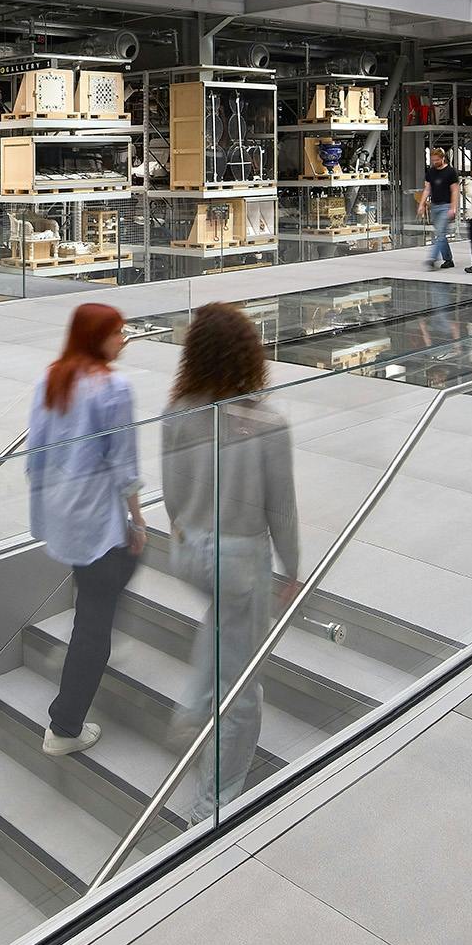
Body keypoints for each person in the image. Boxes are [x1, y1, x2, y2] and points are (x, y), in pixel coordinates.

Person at [160, 303, 300, 822]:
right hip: (240, 559)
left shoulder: (178, 413)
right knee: (243, 690)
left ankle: (195, 705)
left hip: (189, 550)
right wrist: (293, 567)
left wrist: (188, 529)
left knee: (222, 619)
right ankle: (212, 804)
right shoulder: (265, 422)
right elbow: (280, 508)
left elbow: (172, 494)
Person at [26, 303, 145, 757]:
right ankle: (65, 726)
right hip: (96, 520)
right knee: (95, 619)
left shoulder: (52, 376)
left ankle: (95, 636)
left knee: (97, 593)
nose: (124, 339)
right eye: (118, 332)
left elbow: (36, 449)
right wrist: (137, 517)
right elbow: (123, 462)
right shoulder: (113, 387)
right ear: (98, 338)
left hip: (63, 513)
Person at [417, 147, 460, 270]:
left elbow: (455, 191)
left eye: (437, 160)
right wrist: (422, 204)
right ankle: (448, 260)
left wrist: (453, 207)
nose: (435, 162)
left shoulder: (451, 172)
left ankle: (432, 258)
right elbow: (427, 189)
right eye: (433, 160)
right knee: (441, 235)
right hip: (435, 206)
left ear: (443, 158)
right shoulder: (431, 172)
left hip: (446, 206)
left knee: (439, 233)